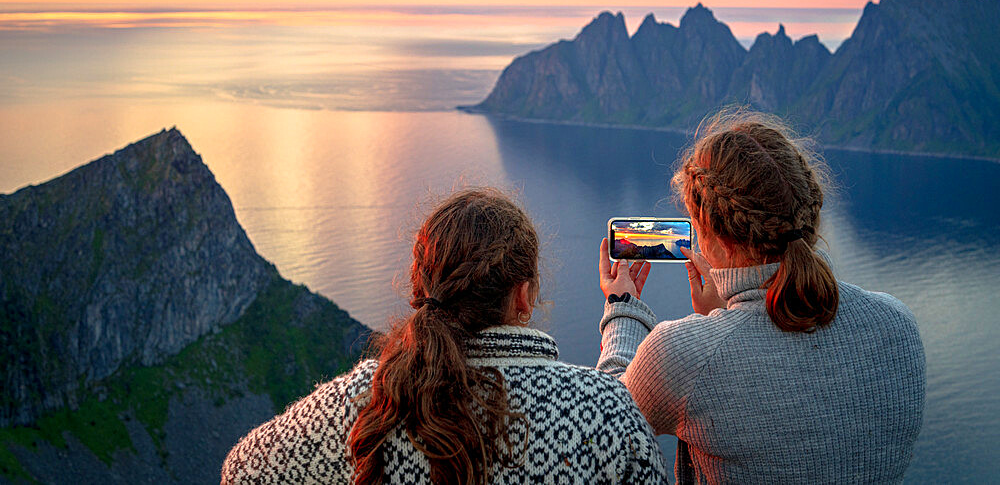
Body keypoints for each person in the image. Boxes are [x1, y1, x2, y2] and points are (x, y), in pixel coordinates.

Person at [223, 187, 668, 485]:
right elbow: (615, 409)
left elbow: (241, 469)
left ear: (421, 287)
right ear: (522, 298)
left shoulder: (367, 400)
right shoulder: (600, 412)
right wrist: (621, 309)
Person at [596, 110, 926, 484]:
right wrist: (721, 316)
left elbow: (602, 429)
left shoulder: (682, 354)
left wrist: (622, 310)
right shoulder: (897, 326)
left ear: (715, 238)